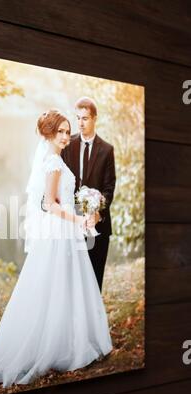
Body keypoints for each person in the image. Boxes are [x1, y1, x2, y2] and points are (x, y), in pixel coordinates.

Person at [0, 109, 112, 388]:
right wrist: (78, 218)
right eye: (60, 131)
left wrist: (86, 206)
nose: (65, 136)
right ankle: (54, 344)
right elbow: (49, 204)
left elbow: (56, 201)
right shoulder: (52, 163)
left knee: (63, 284)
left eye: (67, 131)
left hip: (64, 230)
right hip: (59, 233)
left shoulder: (56, 160)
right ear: (47, 134)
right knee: (54, 283)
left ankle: (65, 338)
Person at [62, 97, 116, 291]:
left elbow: (109, 187)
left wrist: (97, 213)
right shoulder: (67, 145)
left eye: (85, 118)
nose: (81, 123)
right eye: (78, 118)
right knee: (72, 279)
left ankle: (94, 320)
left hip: (98, 225)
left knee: (94, 279)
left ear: (94, 118)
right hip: (71, 223)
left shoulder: (107, 150)